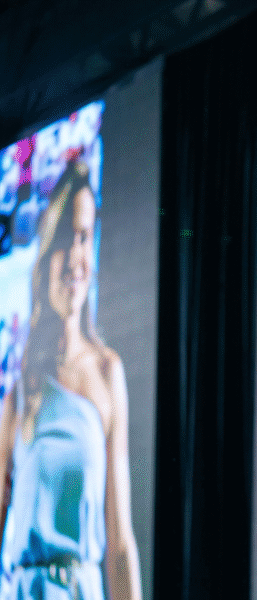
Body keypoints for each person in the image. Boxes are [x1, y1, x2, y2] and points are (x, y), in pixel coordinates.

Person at [0, 161, 141, 599]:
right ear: (46, 255)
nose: (76, 257)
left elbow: (119, 543)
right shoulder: (21, 388)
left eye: (85, 237)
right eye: (66, 239)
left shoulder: (107, 372)